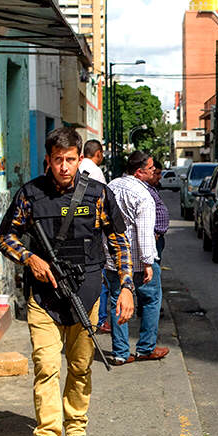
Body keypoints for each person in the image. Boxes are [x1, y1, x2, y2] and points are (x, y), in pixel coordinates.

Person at [0, 127, 135, 436]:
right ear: (48, 159)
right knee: (46, 367)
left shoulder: (99, 195)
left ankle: (75, 429)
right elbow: (6, 236)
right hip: (43, 297)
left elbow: (118, 242)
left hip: (86, 295)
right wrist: (29, 258)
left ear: (79, 159)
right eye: (57, 160)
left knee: (80, 367)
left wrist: (127, 286)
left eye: (70, 160)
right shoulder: (30, 195)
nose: (63, 166)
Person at [107, 151, 170, 364]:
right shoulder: (143, 195)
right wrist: (148, 262)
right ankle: (145, 348)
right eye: (151, 169)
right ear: (139, 171)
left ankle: (120, 353)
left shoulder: (111, 186)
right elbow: (144, 232)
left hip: (114, 258)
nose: (154, 172)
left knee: (117, 301)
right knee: (151, 299)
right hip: (136, 260)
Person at [78, 139, 114, 334]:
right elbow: (103, 204)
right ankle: (99, 319)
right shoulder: (96, 172)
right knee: (99, 278)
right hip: (93, 232)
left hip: (77, 230)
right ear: (98, 153)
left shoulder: (79, 166)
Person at [149, 160, 170, 259]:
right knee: (154, 270)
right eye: (157, 173)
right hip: (152, 238)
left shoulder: (153, 188)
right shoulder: (143, 190)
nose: (160, 177)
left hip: (157, 237)